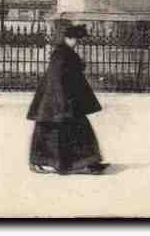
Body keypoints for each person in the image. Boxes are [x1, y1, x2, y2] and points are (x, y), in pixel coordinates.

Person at [27, 24, 109, 175]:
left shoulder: (65, 52)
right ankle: (39, 162)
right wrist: (61, 101)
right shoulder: (61, 53)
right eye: (74, 39)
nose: (76, 42)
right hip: (59, 100)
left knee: (76, 129)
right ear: (67, 38)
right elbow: (57, 79)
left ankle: (89, 163)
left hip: (63, 100)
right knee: (53, 131)